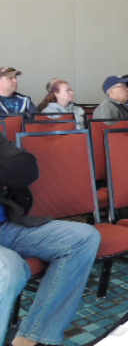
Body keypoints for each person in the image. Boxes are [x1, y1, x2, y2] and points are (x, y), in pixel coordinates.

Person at [0, 134, 101, 346]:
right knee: (8, 268)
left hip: (7, 227)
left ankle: (32, 336)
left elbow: (27, 167)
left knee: (83, 238)